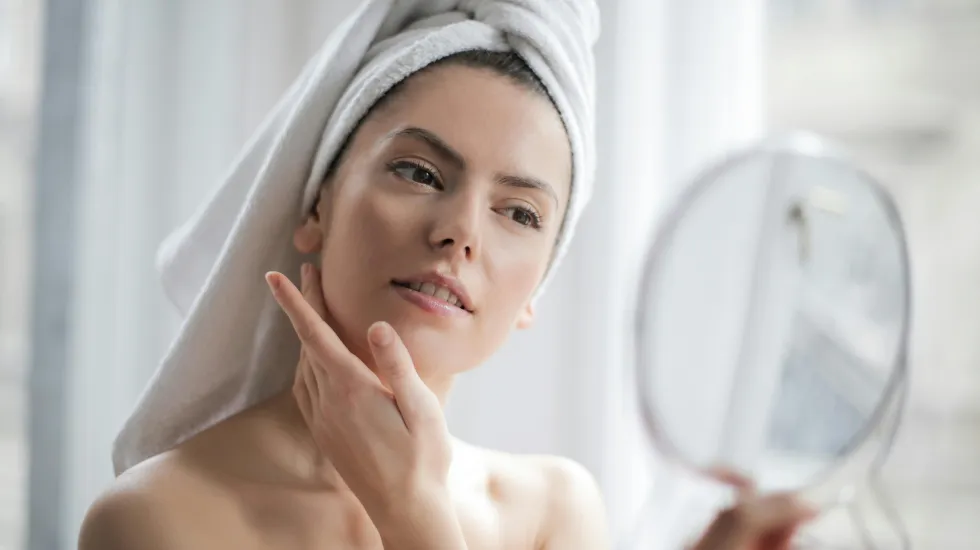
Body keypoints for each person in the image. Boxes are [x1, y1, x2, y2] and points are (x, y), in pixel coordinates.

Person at [78, 2, 815, 548]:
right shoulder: (157, 519)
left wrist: (416, 515)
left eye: (520, 214)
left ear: (537, 291)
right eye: (419, 170)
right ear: (315, 207)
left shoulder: (553, 515)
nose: (460, 230)